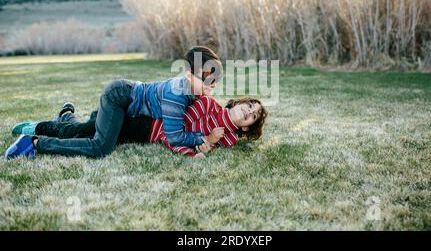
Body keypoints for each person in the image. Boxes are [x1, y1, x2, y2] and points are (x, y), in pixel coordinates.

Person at [4, 46, 223, 160]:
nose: (210, 85)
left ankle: (65, 115)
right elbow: (174, 136)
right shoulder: (177, 94)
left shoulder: (194, 92)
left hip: (128, 107)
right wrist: (202, 138)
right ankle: (33, 143)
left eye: (214, 80)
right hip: (119, 98)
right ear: (188, 75)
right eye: (205, 78)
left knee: (82, 130)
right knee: (100, 146)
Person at [11, 96, 268, 158]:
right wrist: (205, 140)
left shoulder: (229, 140)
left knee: (89, 130)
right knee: (82, 134)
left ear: (246, 128)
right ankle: (39, 127)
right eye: (251, 105)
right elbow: (174, 131)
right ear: (242, 101)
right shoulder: (209, 103)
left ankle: (68, 117)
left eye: (253, 116)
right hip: (143, 120)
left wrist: (207, 144)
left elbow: (198, 148)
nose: (250, 110)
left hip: (144, 133)